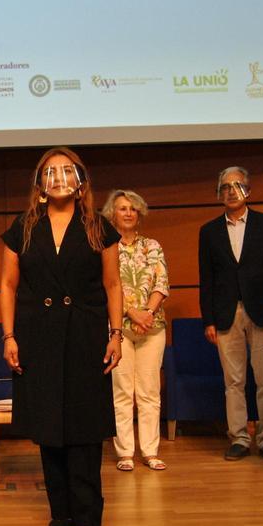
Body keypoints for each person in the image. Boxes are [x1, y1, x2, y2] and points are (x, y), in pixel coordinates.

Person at [0, 147, 122, 526]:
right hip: (37, 334)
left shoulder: (98, 225)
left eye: (66, 171)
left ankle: (88, 517)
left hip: (86, 333)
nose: (58, 178)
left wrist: (116, 333)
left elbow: (113, 284)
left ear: (80, 180)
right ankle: (61, 513)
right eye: (50, 172)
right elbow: (8, 284)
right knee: (49, 424)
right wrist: (9, 336)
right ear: (39, 183)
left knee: (85, 428)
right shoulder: (23, 226)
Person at [198, 167, 263, 462]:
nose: (231, 192)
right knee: (233, 381)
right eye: (225, 187)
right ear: (218, 194)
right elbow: (206, 278)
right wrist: (208, 319)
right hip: (225, 313)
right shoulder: (208, 231)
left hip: (261, 310)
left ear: (249, 190)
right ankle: (239, 438)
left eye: (237, 186)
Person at [101, 189, 169, 472]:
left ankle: (150, 451)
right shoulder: (104, 246)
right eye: (122, 208)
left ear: (139, 214)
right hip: (118, 329)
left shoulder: (153, 246)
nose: (128, 212)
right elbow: (105, 287)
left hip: (152, 327)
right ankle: (126, 452)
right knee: (122, 392)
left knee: (149, 392)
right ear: (111, 214)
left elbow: (161, 283)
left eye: (132, 208)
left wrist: (148, 313)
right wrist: (131, 313)